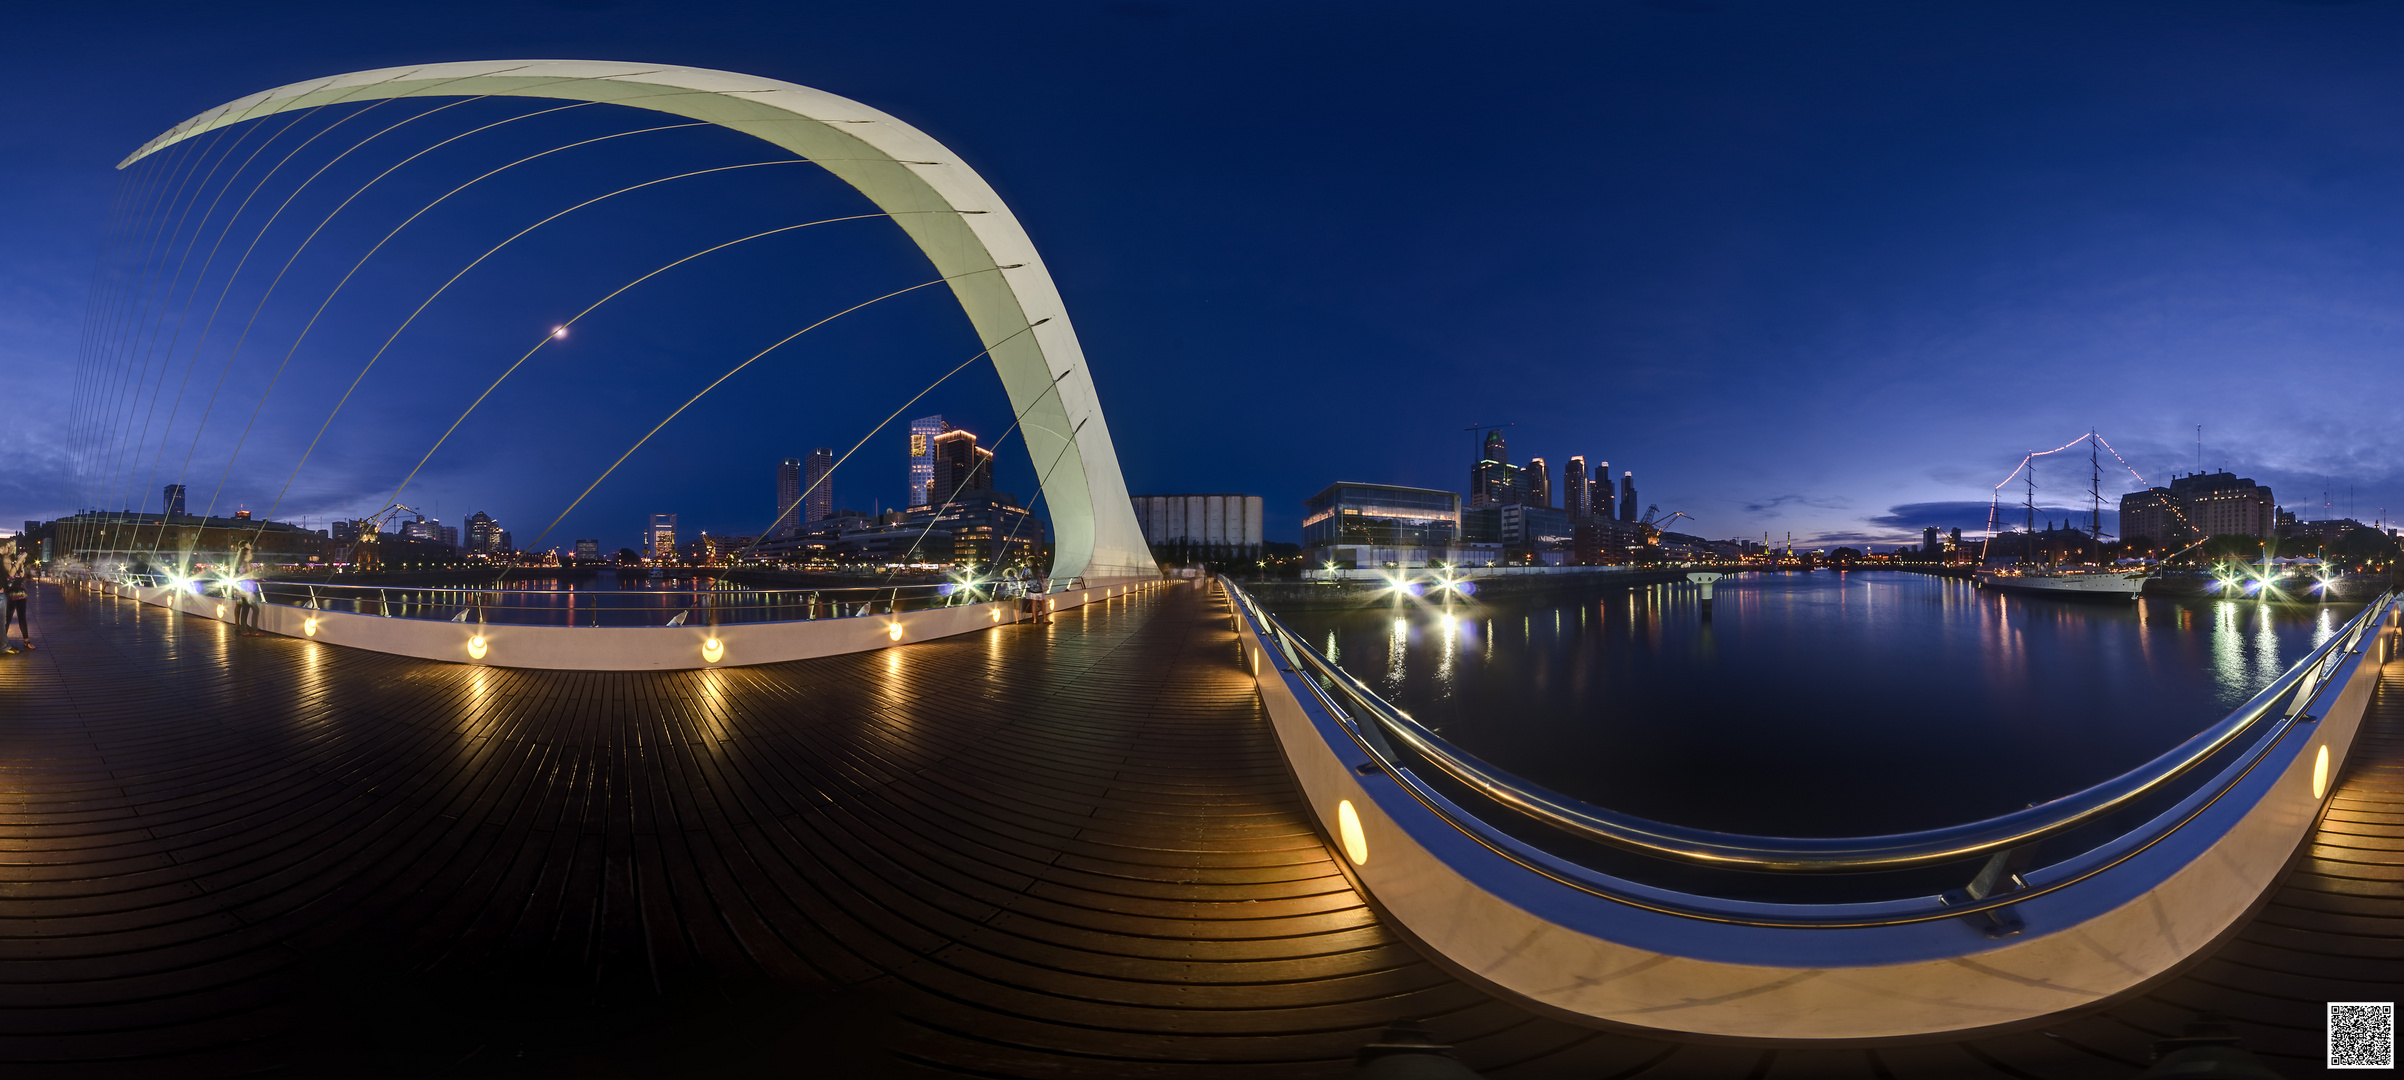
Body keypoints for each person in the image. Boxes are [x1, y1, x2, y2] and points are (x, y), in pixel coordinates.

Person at [2, 541, 31, 653]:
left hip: (20, 592)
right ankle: (3, 643)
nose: (12, 548)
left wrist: (21, 563)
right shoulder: (5, 558)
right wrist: (19, 561)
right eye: (10, 545)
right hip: (11, 592)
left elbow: (21, 575)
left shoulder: (12, 559)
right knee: (7, 618)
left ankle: (26, 640)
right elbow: (10, 574)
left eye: (14, 546)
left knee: (22, 617)